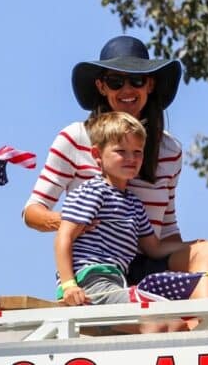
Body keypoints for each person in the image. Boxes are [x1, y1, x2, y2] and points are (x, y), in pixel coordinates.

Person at [24, 35, 208, 299]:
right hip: (98, 267)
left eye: (137, 80)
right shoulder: (75, 137)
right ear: (101, 87)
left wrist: (195, 246)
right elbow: (32, 212)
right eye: (115, 81)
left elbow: (166, 228)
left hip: (146, 262)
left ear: (150, 85)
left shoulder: (169, 150)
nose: (127, 89)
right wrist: (73, 222)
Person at [55, 112, 190, 333]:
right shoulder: (92, 191)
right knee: (158, 323)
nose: (131, 158)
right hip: (89, 282)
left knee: (177, 324)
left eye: (137, 152)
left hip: (115, 283)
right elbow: (64, 237)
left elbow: (153, 248)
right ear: (97, 155)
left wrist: (193, 246)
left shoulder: (134, 204)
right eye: (121, 151)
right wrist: (69, 285)